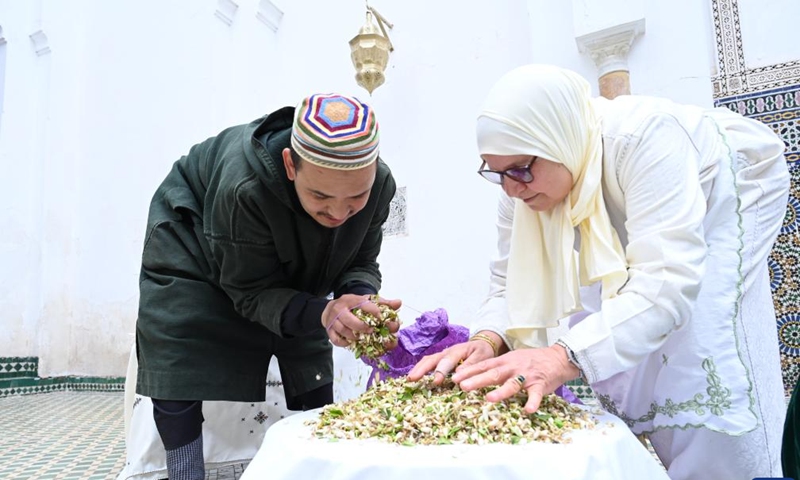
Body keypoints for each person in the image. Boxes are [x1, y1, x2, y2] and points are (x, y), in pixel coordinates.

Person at [408, 64, 789, 479]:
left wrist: (560, 357)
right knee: (611, 324)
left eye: (519, 169)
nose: (511, 188)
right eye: (496, 172)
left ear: (556, 140)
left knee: (702, 340)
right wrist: (487, 338)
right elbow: (507, 282)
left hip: (734, 186)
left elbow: (665, 285)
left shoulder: (645, 137)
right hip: (635, 201)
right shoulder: (519, 185)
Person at [135, 92, 401, 479]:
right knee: (180, 350)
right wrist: (325, 310)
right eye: (321, 196)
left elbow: (360, 259)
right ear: (290, 165)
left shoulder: (380, 185)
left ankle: (317, 465)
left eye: (356, 197)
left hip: (272, 252)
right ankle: (185, 472)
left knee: (308, 352)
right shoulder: (243, 187)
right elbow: (250, 291)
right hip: (193, 244)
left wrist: (356, 298)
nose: (339, 213)